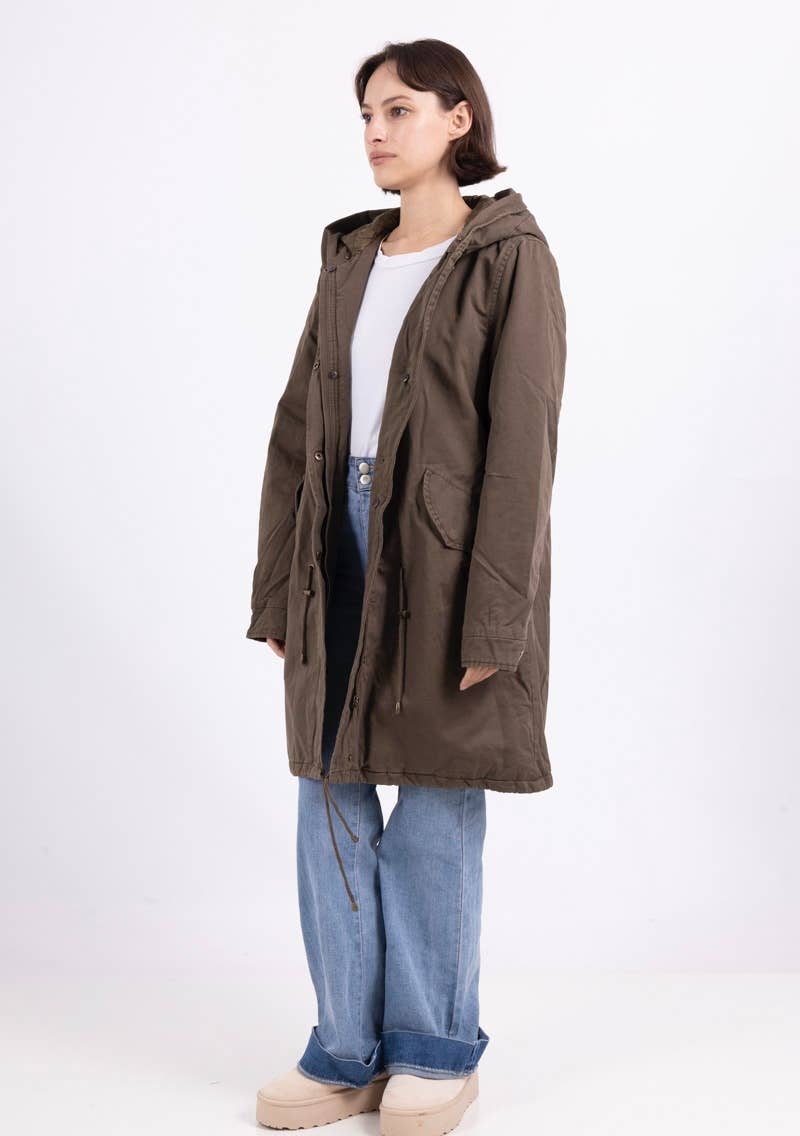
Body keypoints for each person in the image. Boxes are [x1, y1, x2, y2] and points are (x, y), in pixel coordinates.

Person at [247, 37, 567, 1136]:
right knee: (326, 779)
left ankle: (433, 1047)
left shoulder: (508, 256)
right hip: (332, 533)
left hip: (445, 547)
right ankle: (346, 1047)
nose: (376, 133)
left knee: (434, 787)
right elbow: (297, 424)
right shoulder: (349, 257)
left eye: (397, 110)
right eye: (366, 115)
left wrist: (496, 615)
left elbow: (522, 447)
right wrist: (276, 582)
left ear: (457, 118)